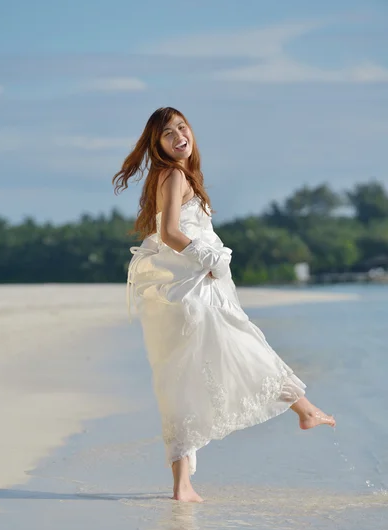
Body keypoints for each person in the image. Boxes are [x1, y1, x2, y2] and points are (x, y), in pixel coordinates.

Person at [112, 107, 336, 503]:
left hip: (181, 296)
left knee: (179, 384)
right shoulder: (176, 174)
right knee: (249, 349)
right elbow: (169, 233)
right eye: (168, 133)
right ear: (157, 144)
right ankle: (305, 411)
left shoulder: (170, 176)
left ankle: (182, 487)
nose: (179, 135)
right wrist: (209, 258)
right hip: (197, 293)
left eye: (183, 127)